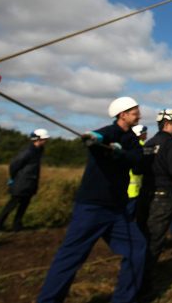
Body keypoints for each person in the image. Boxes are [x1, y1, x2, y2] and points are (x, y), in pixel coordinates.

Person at [37, 97, 145, 303]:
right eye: (134, 111)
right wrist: (93, 138)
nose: (138, 115)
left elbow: (138, 161)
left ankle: (124, 299)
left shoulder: (131, 139)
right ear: (123, 114)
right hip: (92, 206)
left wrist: (120, 153)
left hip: (117, 210)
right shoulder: (108, 132)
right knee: (71, 256)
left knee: (137, 248)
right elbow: (95, 138)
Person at [135, 109, 172, 293]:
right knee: (155, 239)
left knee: (143, 236)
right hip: (162, 196)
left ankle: (134, 275)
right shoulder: (171, 144)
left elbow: (139, 169)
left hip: (145, 195)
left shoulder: (150, 143)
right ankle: (144, 284)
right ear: (167, 123)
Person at [0, 128, 50, 232]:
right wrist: (13, 177)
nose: (46, 141)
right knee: (12, 204)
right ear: (38, 139)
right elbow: (14, 165)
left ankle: (17, 225)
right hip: (21, 182)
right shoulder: (28, 151)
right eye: (44, 139)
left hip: (31, 182)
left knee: (24, 205)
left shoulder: (39, 150)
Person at [126, 124, 147, 218]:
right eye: (144, 133)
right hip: (133, 189)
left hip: (135, 187)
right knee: (130, 214)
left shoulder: (134, 146)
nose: (146, 134)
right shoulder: (139, 147)